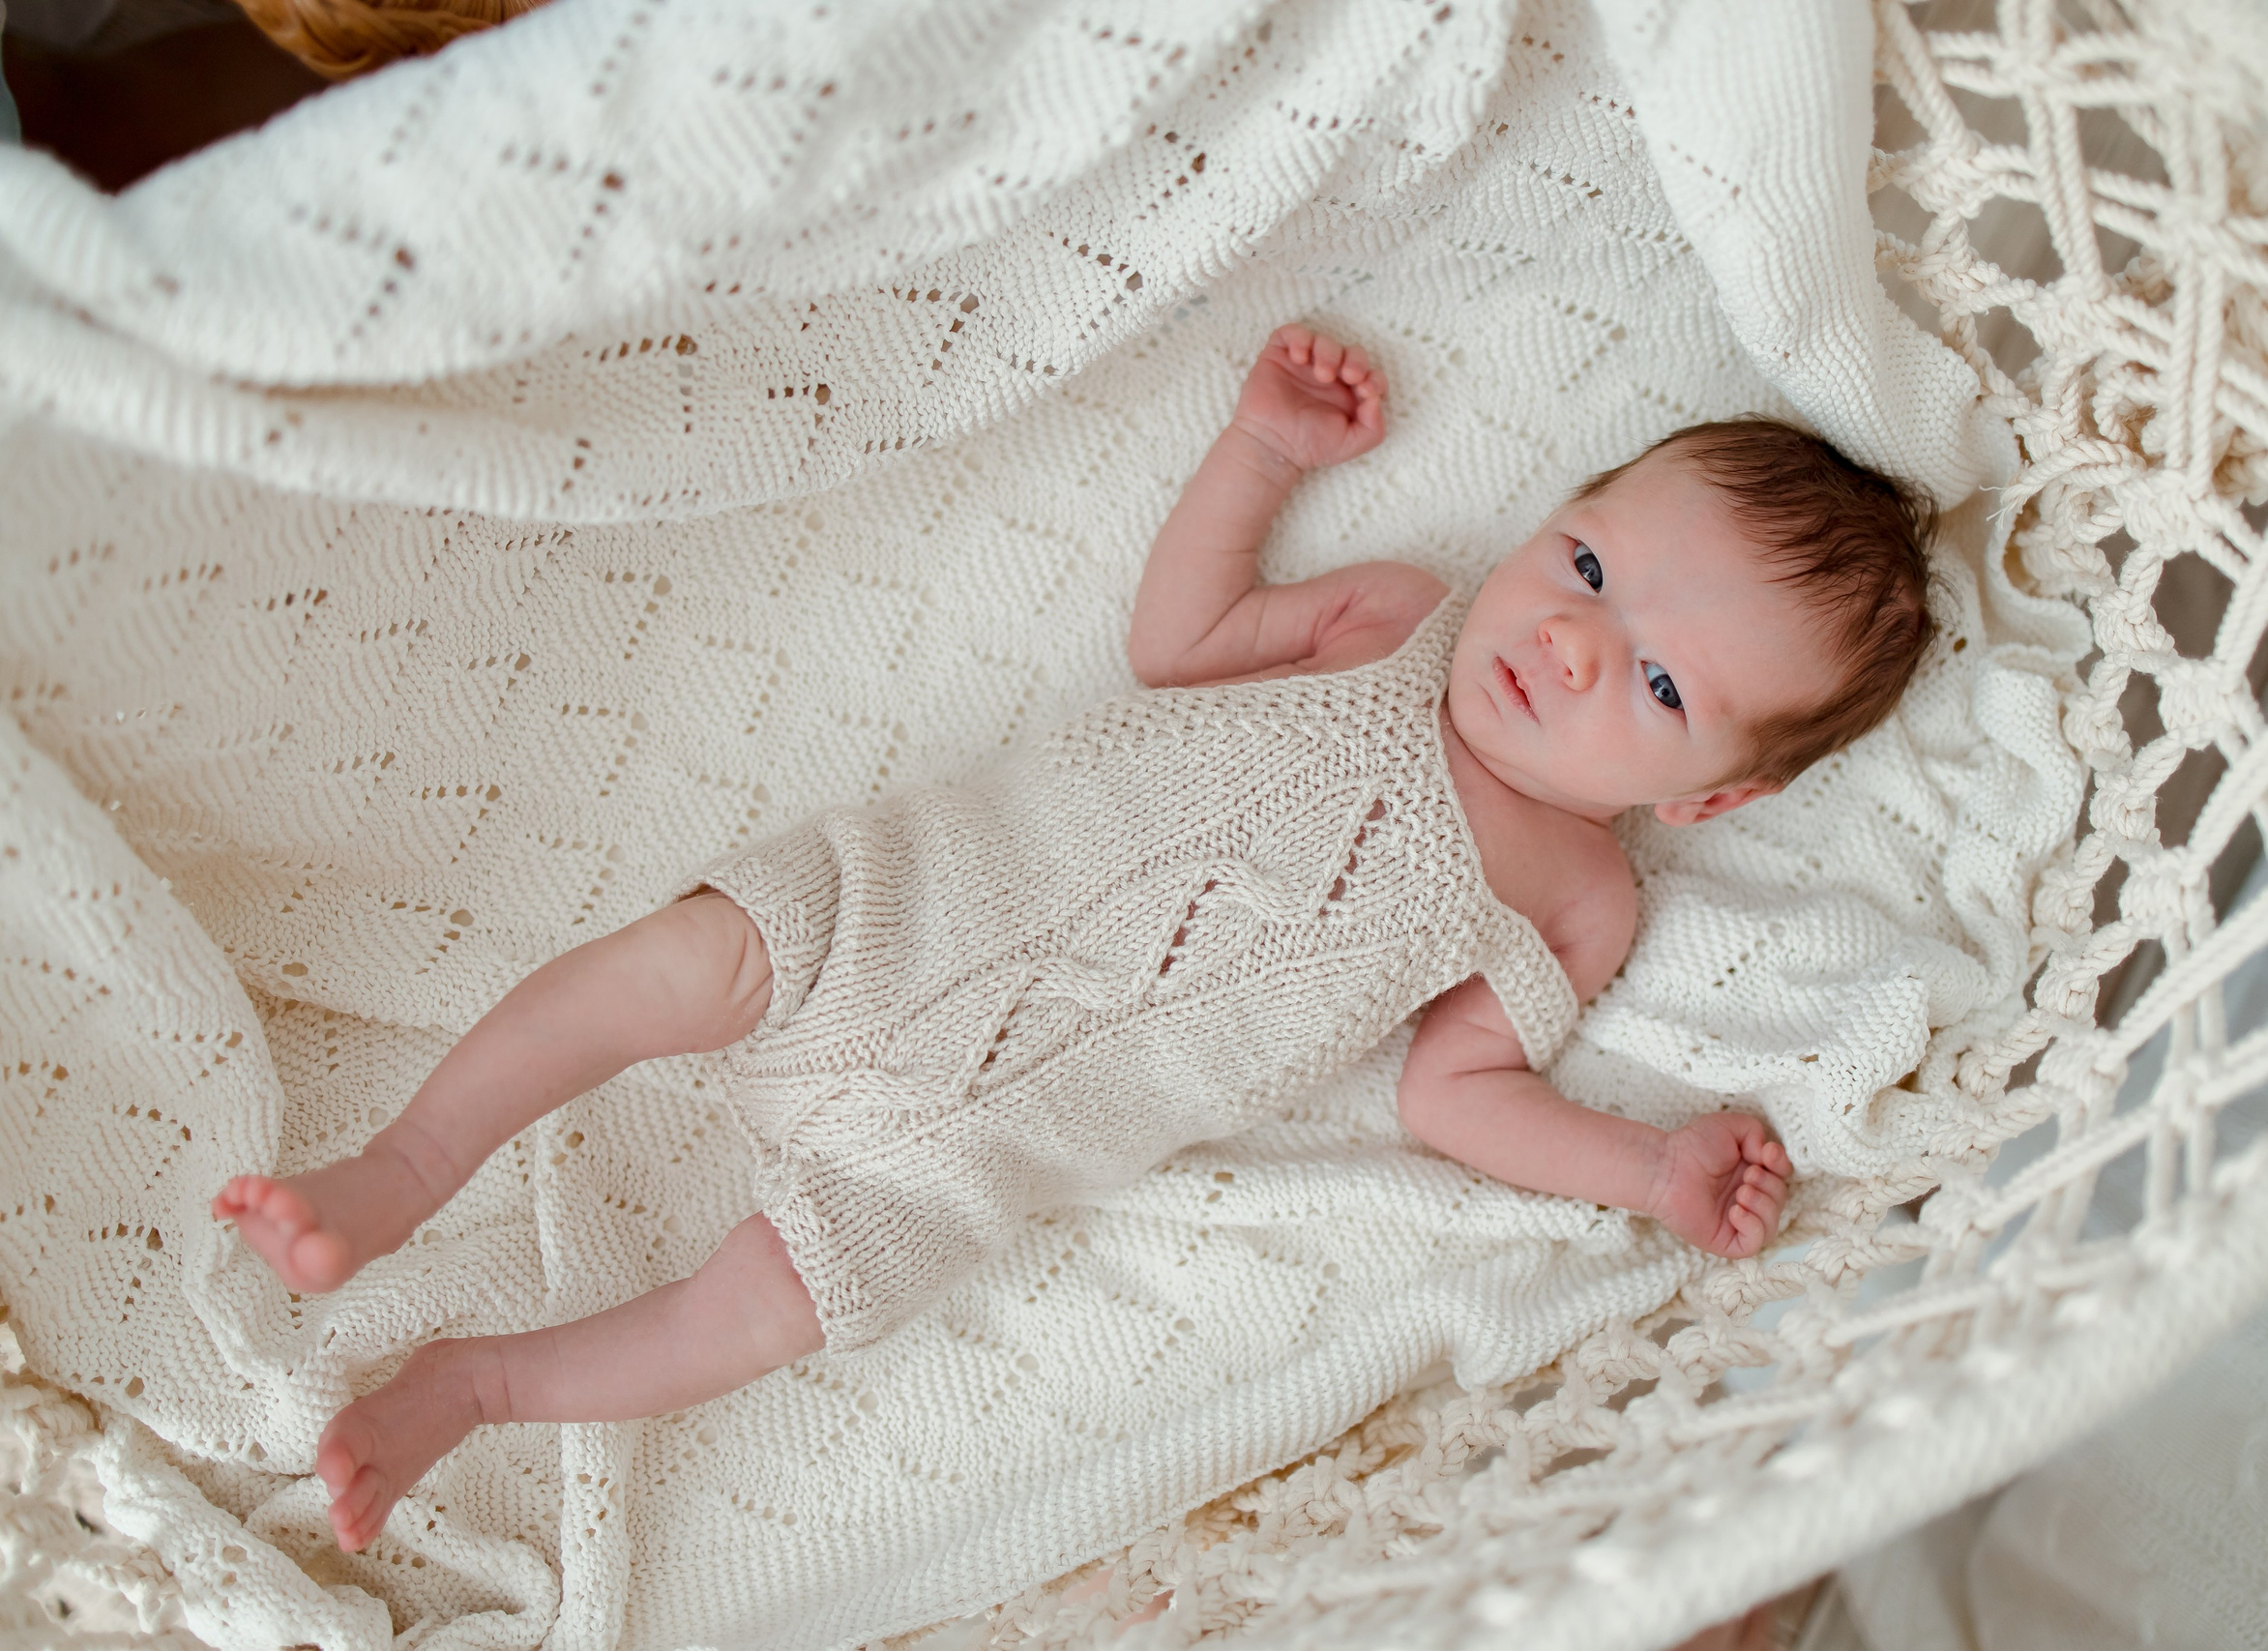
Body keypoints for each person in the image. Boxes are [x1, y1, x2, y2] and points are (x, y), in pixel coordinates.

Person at [213, 323, 1936, 1553]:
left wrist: (1645, 1174)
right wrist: (1259, 452)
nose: (1569, 644)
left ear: (1709, 799)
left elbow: (1455, 1098)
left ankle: (477, 1391)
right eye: (1586, 563)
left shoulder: (1580, 898)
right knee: (659, 970)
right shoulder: (1398, 617)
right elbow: (1178, 642)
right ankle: (406, 1163)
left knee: (755, 1315)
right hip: (906, 909)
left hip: (979, 1149)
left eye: (1650, 682)